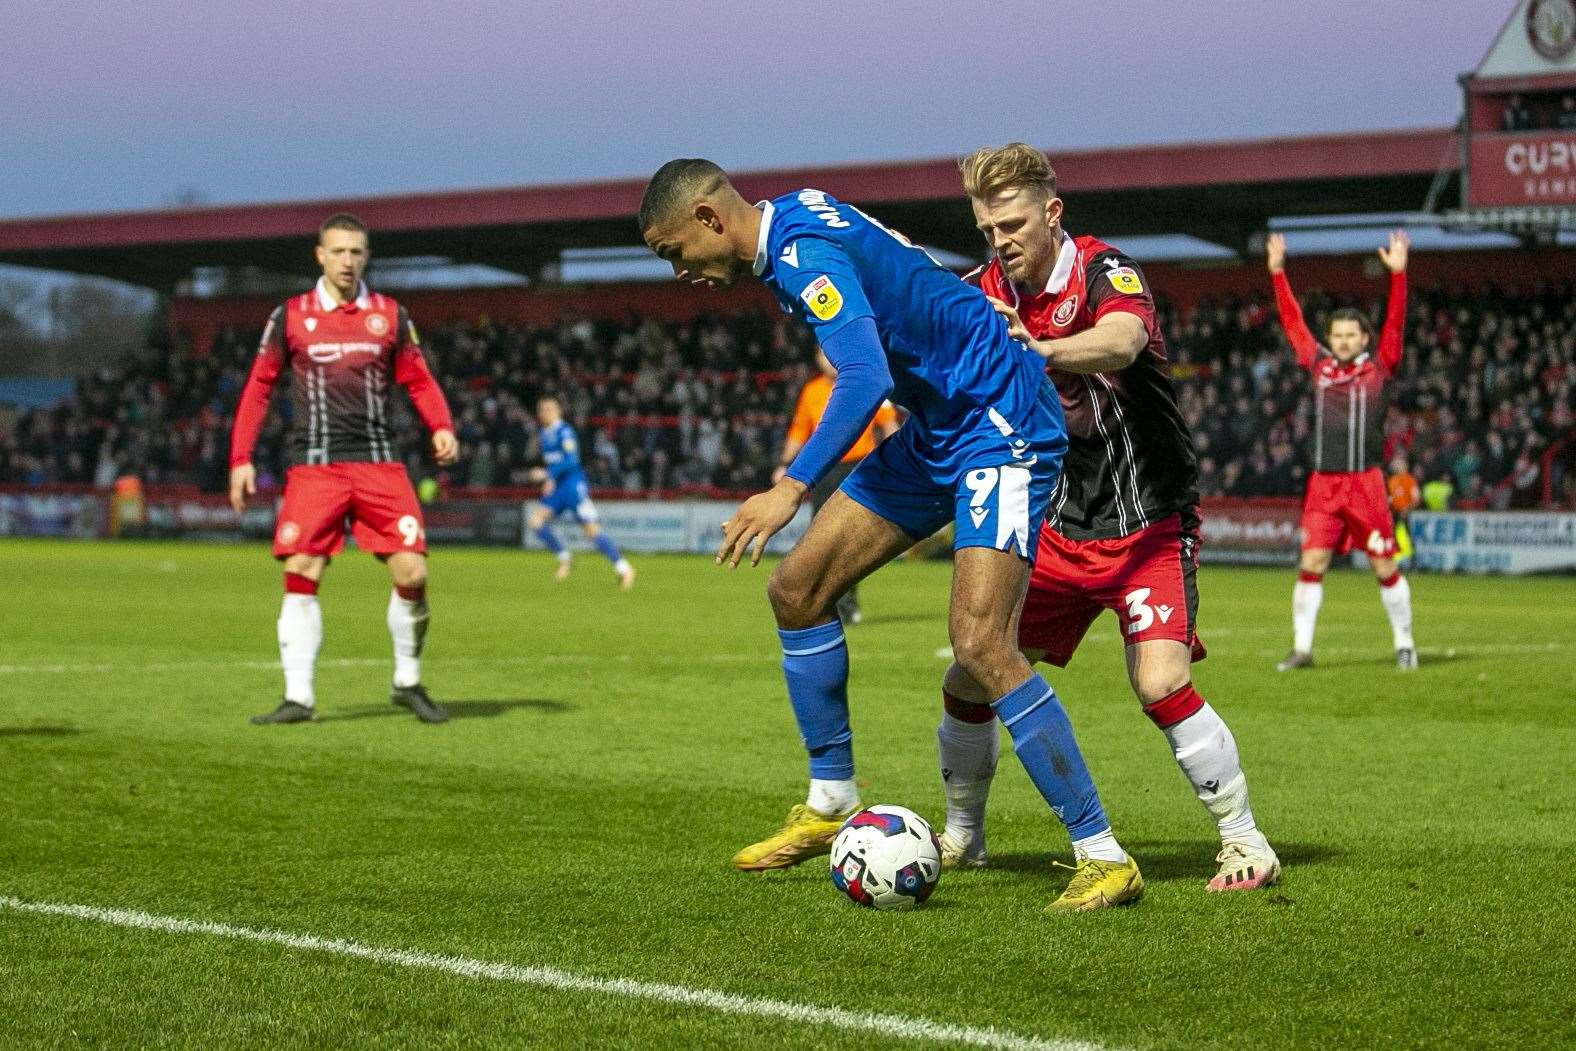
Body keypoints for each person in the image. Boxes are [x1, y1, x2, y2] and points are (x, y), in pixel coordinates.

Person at [640, 159, 1142, 911]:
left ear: (711, 218)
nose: (680, 270)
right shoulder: (792, 216)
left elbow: (864, 374)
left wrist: (790, 486)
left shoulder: (801, 253)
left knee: (980, 643)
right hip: (939, 422)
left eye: (675, 251)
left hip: (998, 419)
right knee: (797, 589)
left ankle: (1102, 852)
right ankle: (832, 796)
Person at [937, 143, 1278, 892]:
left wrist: (1043, 349)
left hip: (1150, 519)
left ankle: (1245, 840)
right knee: (971, 671)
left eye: (1013, 223)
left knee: (1160, 682)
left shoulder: (1103, 270)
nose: (1001, 241)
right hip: (1059, 526)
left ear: (1052, 214)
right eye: (987, 228)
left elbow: (1123, 340)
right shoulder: (981, 290)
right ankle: (963, 835)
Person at [229, 213, 459, 724]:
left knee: (413, 571)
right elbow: (259, 386)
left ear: (366, 256)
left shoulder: (390, 315)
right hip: (315, 466)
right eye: (338, 251)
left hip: (379, 462)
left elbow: (419, 381)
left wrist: (440, 425)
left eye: (356, 252)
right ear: (320, 255)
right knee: (302, 570)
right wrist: (240, 457)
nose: (348, 261)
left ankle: (407, 681)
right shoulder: (290, 316)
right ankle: (299, 698)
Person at [1267, 230, 1417, 672]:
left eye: (1352, 334)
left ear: (1365, 338)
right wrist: (1277, 273)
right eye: (1338, 334)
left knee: (1384, 566)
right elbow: (1294, 324)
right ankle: (1302, 648)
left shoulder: (1380, 367)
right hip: (1324, 482)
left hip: (1366, 483)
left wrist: (1399, 276)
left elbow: (1396, 322)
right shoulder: (1319, 367)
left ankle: (1405, 643)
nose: (1344, 340)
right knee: (1311, 561)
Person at [772, 349, 901, 624]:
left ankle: (847, 602)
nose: (827, 359)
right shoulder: (811, 390)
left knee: (851, 537)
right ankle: (822, 600)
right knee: (820, 535)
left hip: (857, 467)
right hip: (823, 470)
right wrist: (784, 464)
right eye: (822, 354)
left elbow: (889, 424)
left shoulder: (864, 382)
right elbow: (799, 430)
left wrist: (899, 461)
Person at [526, 396, 635, 589]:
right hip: (558, 489)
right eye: (542, 409)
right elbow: (555, 460)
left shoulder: (564, 431)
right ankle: (565, 557)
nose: (545, 412)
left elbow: (571, 460)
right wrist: (551, 480)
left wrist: (546, 473)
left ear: (559, 411)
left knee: (592, 531)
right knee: (535, 521)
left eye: (550, 409)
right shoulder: (544, 434)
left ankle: (624, 568)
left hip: (573, 487)